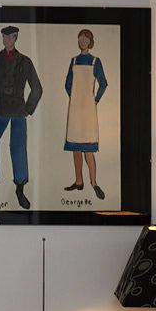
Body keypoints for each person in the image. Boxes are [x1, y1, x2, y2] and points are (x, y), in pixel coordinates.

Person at [0, 25, 41, 209]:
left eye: (10, 37)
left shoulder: (25, 61)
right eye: (4, 37)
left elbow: (37, 88)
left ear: (15, 38)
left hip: (19, 111)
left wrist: (28, 109)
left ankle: (20, 189)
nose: (7, 40)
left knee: (18, 147)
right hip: (1, 110)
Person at [63, 28, 108, 200]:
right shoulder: (73, 60)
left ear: (90, 42)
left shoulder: (95, 61)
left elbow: (103, 83)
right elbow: (67, 84)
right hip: (75, 111)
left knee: (88, 150)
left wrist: (94, 100)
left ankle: (94, 183)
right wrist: (75, 98)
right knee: (75, 149)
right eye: (80, 38)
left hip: (88, 112)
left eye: (86, 39)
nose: (83, 41)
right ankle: (78, 181)